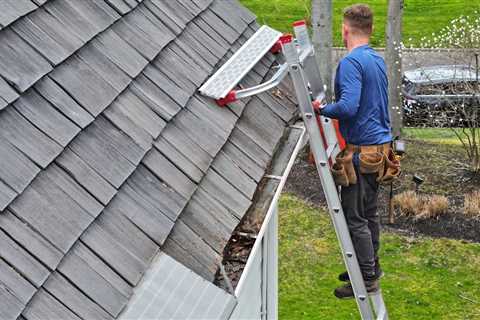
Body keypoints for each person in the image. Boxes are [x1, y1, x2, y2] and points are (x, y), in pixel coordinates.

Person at [317, 4, 396, 299]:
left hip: (362, 155)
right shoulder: (376, 59)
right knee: (369, 213)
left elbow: (348, 106)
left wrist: (323, 109)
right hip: (378, 151)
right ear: (372, 30)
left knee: (355, 217)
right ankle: (370, 266)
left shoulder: (352, 63)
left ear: (344, 30)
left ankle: (366, 278)